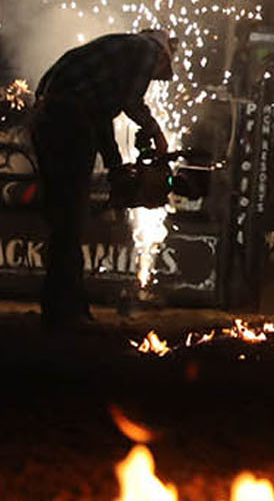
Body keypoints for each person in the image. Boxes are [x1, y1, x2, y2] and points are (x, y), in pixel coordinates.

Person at [29, 30, 175, 329]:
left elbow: (100, 117)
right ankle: (66, 312)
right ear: (162, 55)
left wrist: (116, 167)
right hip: (66, 119)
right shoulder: (147, 49)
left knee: (64, 219)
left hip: (47, 119)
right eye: (156, 74)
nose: (152, 78)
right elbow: (131, 102)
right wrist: (157, 134)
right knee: (70, 216)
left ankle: (62, 307)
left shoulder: (104, 73)